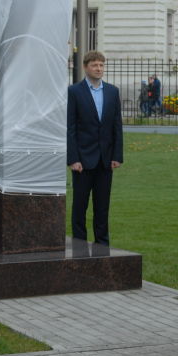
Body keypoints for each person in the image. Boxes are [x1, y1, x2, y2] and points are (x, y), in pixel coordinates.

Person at [67, 50, 123, 246]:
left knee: (102, 207)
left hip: (105, 160)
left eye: (101, 65)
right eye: (94, 65)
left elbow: (116, 126)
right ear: (85, 67)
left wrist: (117, 155)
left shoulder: (112, 91)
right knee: (80, 206)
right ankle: (79, 246)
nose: (99, 69)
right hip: (82, 160)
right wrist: (73, 159)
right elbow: (70, 127)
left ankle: (102, 246)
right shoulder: (74, 91)